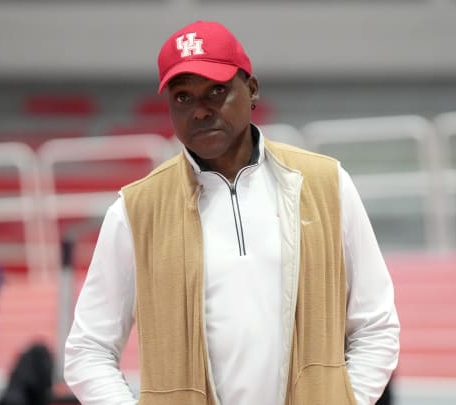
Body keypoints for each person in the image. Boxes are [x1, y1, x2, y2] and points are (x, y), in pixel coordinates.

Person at [64, 20, 399, 405]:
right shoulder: (135, 211)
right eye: (183, 97)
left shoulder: (324, 183)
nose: (200, 111)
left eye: (216, 91)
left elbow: (376, 324)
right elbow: (88, 350)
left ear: (251, 89)